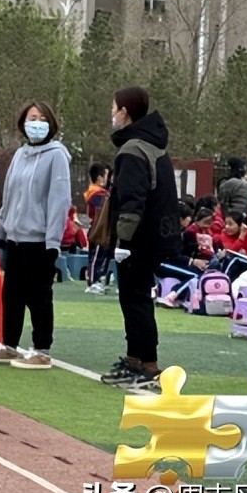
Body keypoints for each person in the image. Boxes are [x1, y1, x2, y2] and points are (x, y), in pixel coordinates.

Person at [0, 101, 71, 370]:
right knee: (13, 294)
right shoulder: (20, 155)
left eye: (42, 118)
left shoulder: (57, 156)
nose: (37, 122)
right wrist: (2, 230)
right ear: (23, 122)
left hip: (40, 240)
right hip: (16, 239)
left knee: (39, 296)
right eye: (32, 117)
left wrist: (53, 242)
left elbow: (59, 200)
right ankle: (9, 345)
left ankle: (42, 350)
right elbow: (11, 195)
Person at [98, 86, 180, 390]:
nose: (112, 114)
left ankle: (149, 366)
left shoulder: (133, 149)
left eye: (114, 107)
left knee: (136, 301)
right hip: (154, 237)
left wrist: (123, 242)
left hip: (138, 241)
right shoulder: (153, 144)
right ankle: (135, 359)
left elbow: (132, 200)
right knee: (136, 299)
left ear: (125, 112)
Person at [84, 162, 112, 293]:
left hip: (100, 227)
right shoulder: (96, 193)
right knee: (96, 255)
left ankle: (97, 279)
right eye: (106, 175)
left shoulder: (99, 192)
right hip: (98, 228)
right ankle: (92, 281)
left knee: (100, 255)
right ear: (100, 177)